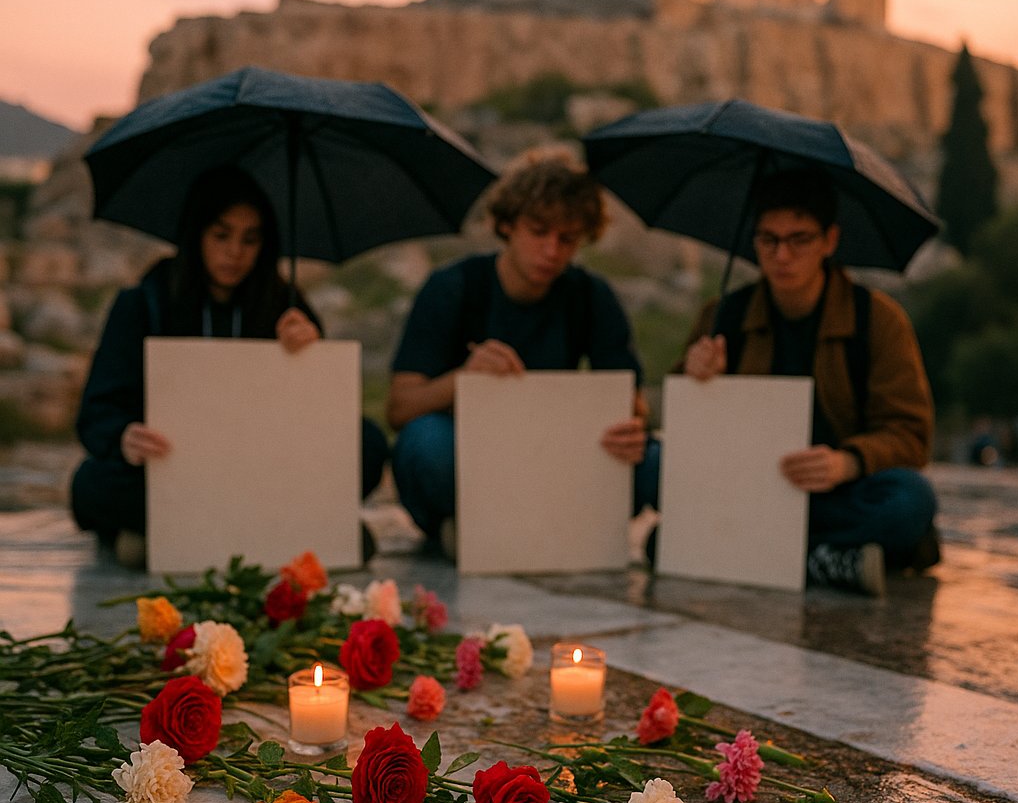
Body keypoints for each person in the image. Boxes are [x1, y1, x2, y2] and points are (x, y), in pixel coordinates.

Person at [71, 165, 389, 565]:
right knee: (90, 484)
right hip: (176, 470)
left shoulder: (284, 303)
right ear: (196, 233)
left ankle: (166, 535)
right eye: (221, 235)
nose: (234, 252)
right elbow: (97, 412)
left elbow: (322, 419)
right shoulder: (144, 302)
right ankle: (297, 531)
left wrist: (312, 353)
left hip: (264, 470)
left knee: (370, 443)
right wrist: (124, 437)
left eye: (250, 239)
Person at [667, 169, 939, 595]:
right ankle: (825, 560)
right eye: (769, 240)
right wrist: (696, 380)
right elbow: (683, 434)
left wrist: (845, 462)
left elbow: (911, 436)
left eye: (799, 239)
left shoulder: (878, 320)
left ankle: (760, 552)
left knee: (910, 500)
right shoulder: (724, 316)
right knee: (649, 466)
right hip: (751, 490)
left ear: (829, 241)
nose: (782, 255)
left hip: (835, 493)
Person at [386, 146, 660, 556]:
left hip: (554, 458)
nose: (552, 251)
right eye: (538, 231)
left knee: (654, 459)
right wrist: (465, 379)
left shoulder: (591, 296)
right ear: (507, 225)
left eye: (567, 239)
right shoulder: (453, 287)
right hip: (473, 459)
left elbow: (632, 402)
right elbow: (400, 408)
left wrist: (628, 426)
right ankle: (464, 524)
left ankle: (535, 524)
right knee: (425, 444)